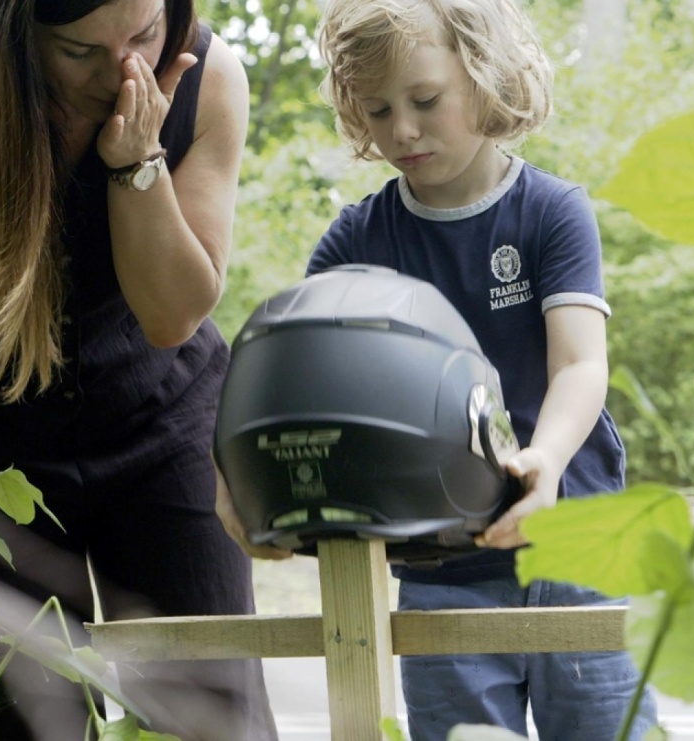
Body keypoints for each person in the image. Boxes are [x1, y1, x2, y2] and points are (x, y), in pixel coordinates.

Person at [0, 1, 277, 739]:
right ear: (19, 31)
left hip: (163, 423)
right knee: (12, 719)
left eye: (142, 36)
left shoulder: (210, 76)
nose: (123, 71)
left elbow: (173, 316)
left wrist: (138, 161)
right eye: (80, 52)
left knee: (209, 711)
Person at [233, 0, 658, 738]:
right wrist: (243, 483)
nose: (401, 129)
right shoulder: (356, 239)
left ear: (485, 76)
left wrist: (545, 462)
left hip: (577, 551)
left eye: (425, 100)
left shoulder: (552, 212)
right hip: (438, 572)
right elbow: (293, 378)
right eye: (377, 109)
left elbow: (582, 364)